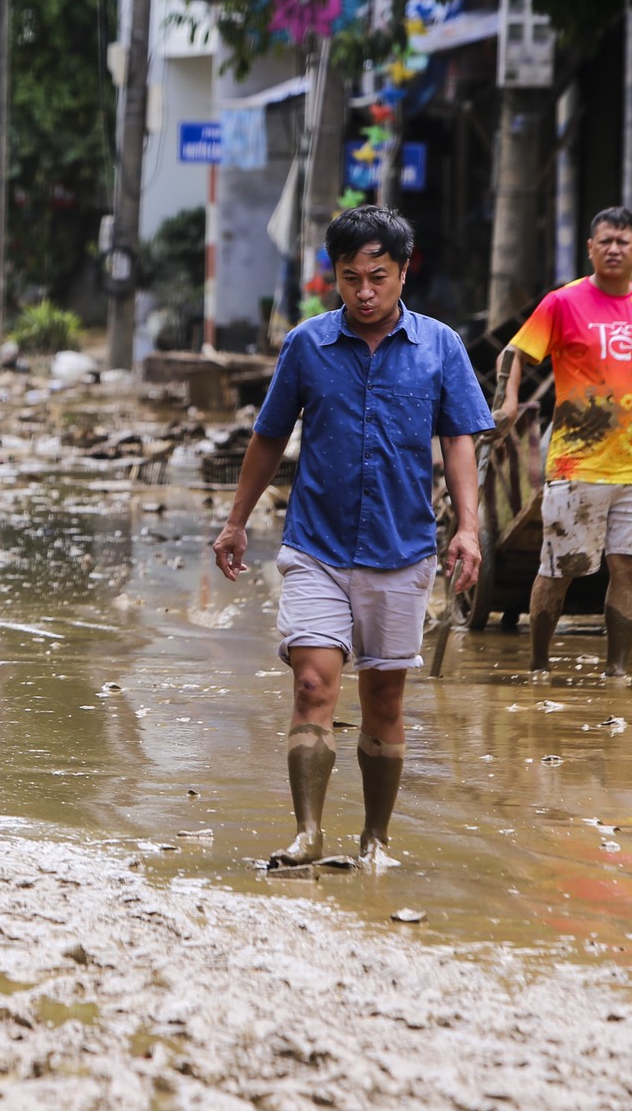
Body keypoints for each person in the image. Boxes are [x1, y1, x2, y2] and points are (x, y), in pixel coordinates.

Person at [210, 206, 492, 869]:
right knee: (313, 683)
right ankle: (308, 833)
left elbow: (458, 439)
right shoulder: (308, 345)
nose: (364, 291)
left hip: (403, 549)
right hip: (317, 546)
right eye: (349, 278)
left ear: (402, 272)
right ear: (332, 277)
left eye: (378, 276)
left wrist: (470, 528)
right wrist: (235, 519)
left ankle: (376, 840)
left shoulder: (440, 347)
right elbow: (270, 434)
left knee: (385, 700)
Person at [496, 205, 632, 678]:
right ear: (590, 249)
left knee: (629, 571)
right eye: (605, 241)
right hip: (575, 466)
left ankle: (618, 672)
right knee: (560, 568)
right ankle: (539, 666)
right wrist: (507, 403)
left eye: (622, 241)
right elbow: (516, 352)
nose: (613, 249)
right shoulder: (562, 303)